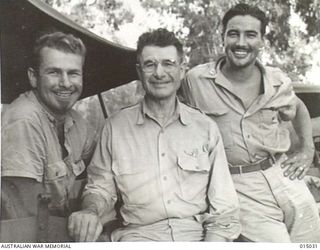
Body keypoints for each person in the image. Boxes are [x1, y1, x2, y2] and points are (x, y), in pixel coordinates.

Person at [68, 28, 241, 242]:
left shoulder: (206, 128)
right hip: (137, 237)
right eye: (150, 65)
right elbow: (100, 189)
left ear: (182, 70)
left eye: (168, 64)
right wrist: (90, 211)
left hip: (196, 237)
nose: (159, 73)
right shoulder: (115, 128)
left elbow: (224, 210)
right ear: (139, 72)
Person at [181, 3, 320, 242]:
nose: (241, 43)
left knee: (310, 242)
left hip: (283, 171)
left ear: (262, 41)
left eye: (251, 35)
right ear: (222, 36)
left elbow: (298, 108)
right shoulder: (196, 81)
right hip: (237, 183)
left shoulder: (278, 81)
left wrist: (307, 149)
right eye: (234, 33)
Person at [1, 31, 97, 218]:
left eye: (73, 73)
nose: (66, 83)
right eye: (54, 72)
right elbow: (26, 215)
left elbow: (104, 165)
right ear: (33, 77)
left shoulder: (76, 121)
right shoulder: (24, 119)